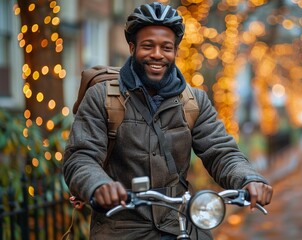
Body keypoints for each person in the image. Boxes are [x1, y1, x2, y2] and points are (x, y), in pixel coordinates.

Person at [62, 2, 273, 239]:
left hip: (179, 222)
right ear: (132, 48)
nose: (157, 54)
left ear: (175, 51)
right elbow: (81, 157)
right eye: (148, 46)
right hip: (121, 227)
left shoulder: (194, 101)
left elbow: (221, 151)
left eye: (166, 47)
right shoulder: (102, 97)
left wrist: (248, 179)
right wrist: (99, 185)